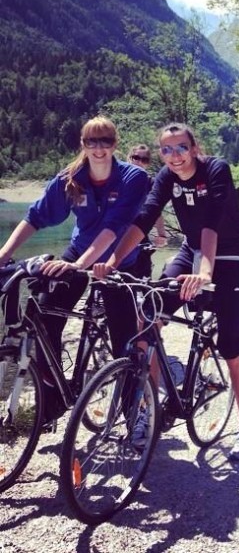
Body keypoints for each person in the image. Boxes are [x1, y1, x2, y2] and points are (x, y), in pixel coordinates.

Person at [94, 122, 239, 461]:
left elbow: (212, 221)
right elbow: (144, 219)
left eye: (181, 147)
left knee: (232, 347)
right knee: (147, 317)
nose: (174, 156)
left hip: (227, 256)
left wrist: (205, 272)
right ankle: (149, 410)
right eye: (166, 150)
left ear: (194, 148)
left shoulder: (216, 169)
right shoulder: (167, 178)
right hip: (189, 251)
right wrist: (111, 261)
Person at [0, 116, 150, 424]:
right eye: (91, 142)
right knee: (44, 318)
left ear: (115, 144)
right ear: (82, 144)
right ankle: (55, 399)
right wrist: (4, 254)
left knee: (124, 338)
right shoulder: (71, 178)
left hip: (119, 260)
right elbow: (36, 216)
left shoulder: (133, 178)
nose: (98, 148)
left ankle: (133, 414)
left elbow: (114, 228)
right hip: (80, 250)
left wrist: (78, 266)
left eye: (105, 141)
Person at [127, 144, 168, 278]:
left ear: (148, 163)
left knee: (143, 277)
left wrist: (161, 234)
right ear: (130, 158)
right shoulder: (119, 179)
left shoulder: (150, 182)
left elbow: (155, 211)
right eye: (137, 158)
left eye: (144, 160)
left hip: (140, 234)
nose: (139, 162)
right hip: (117, 233)